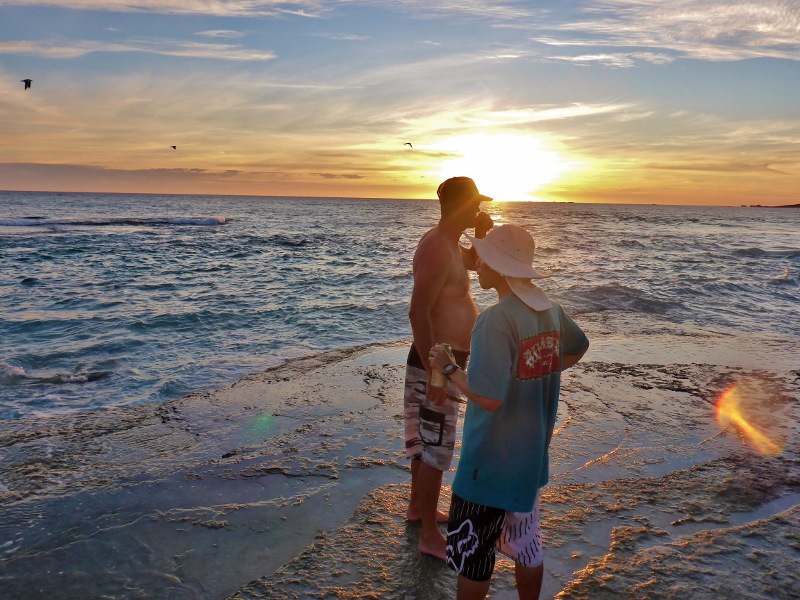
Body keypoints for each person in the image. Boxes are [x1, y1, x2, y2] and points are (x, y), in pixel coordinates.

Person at [429, 224, 589, 599]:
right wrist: (537, 369)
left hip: (488, 464)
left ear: (498, 268)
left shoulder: (495, 319)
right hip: (530, 461)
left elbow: (488, 397)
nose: (476, 267)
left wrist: (449, 367)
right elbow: (579, 346)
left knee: (474, 556)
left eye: (482, 260)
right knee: (528, 547)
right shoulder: (550, 310)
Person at [405, 176, 493, 560]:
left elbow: (484, 270)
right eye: (475, 205)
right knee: (436, 450)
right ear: (462, 206)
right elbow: (418, 311)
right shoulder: (438, 248)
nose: (479, 210)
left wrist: (482, 234)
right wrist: (436, 372)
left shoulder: (453, 246)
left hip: (443, 361)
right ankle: (428, 535)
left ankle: (416, 509)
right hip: (438, 360)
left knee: (426, 444)